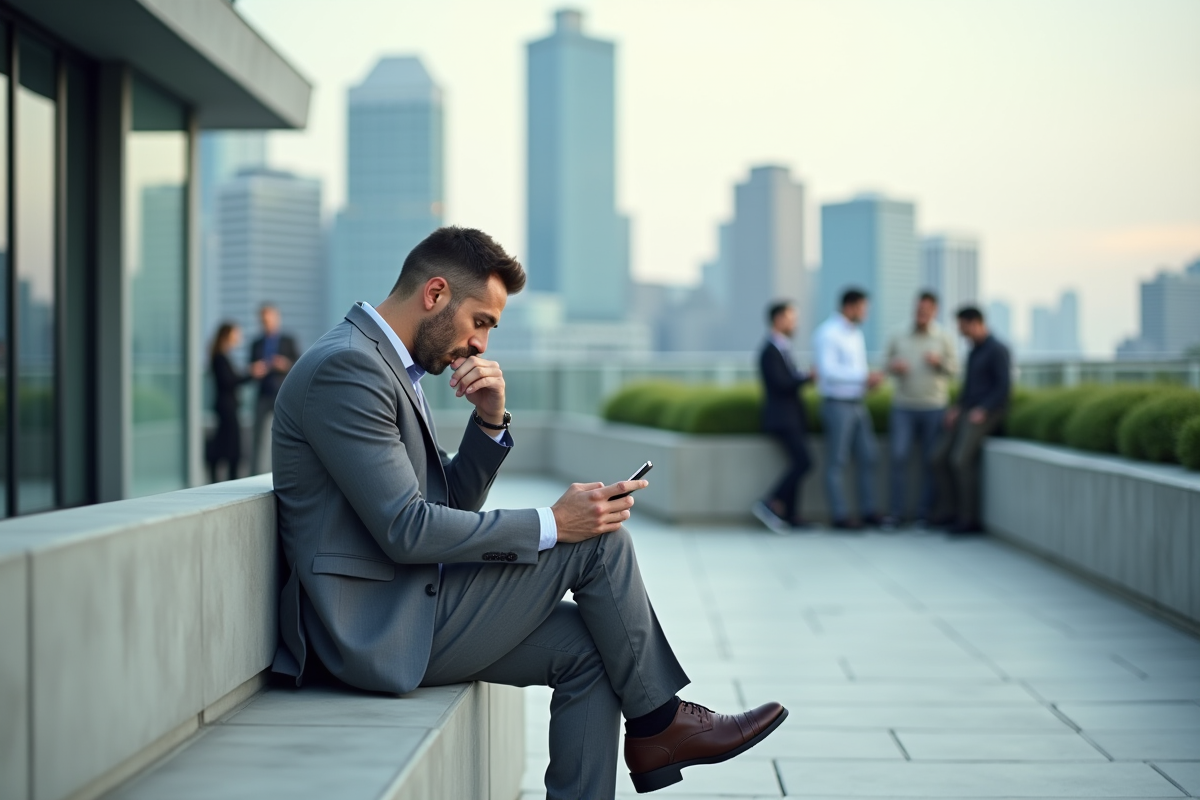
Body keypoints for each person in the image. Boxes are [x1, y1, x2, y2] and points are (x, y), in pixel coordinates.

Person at [269, 227, 786, 799]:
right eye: (481, 321)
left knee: (594, 652)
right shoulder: (350, 369)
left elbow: (445, 509)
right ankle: (661, 724)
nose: (482, 345)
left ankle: (655, 726)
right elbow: (407, 529)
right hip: (367, 627)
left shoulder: (387, 367)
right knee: (596, 539)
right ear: (435, 294)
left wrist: (490, 422)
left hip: (407, 600)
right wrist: (553, 523)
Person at [931, 305, 1011, 535]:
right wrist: (957, 408)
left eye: (962, 326)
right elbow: (968, 388)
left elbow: (1004, 388)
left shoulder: (998, 349)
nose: (960, 331)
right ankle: (949, 512)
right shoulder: (974, 350)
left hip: (988, 413)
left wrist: (984, 409)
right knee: (938, 458)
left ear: (975, 323)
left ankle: (969, 519)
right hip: (967, 411)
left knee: (960, 460)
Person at [883, 292, 958, 528]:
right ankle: (896, 513)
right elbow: (885, 366)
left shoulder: (943, 337)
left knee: (930, 462)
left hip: (934, 407)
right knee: (898, 457)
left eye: (926, 311)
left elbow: (955, 369)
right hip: (903, 406)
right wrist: (894, 367)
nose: (921, 315)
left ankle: (924, 514)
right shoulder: (898, 334)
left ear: (934, 312)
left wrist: (940, 363)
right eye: (918, 310)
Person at [811, 288, 884, 530]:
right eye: (864, 308)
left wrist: (866, 384)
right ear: (851, 306)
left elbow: (853, 373)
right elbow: (828, 371)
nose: (866, 313)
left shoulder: (855, 334)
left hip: (857, 403)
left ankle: (868, 510)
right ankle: (840, 516)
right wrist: (863, 377)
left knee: (869, 456)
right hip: (837, 405)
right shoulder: (828, 333)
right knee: (837, 462)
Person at [753, 300, 813, 533]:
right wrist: (806, 377)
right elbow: (781, 383)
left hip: (791, 418)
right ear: (778, 319)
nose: (794, 322)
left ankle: (791, 515)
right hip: (782, 419)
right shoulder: (769, 350)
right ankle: (769, 502)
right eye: (791, 317)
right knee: (804, 462)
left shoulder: (782, 346)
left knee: (798, 462)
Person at [206, 322, 265, 483]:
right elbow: (229, 381)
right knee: (232, 449)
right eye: (236, 334)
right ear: (227, 336)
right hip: (227, 408)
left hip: (228, 407)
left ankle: (227, 479)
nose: (238, 337)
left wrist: (250, 373)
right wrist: (250, 373)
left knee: (229, 447)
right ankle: (228, 480)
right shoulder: (220, 357)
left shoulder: (223, 356)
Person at [249, 304, 298, 474]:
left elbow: (299, 365)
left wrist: (284, 364)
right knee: (257, 438)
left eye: (269, 319)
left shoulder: (288, 340)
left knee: (284, 436)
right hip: (263, 394)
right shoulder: (256, 343)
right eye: (263, 320)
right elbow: (250, 368)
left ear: (277, 318)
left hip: (282, 394)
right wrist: (255, 370)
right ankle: (254, 474)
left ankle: (284, 472)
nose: (266, 323)